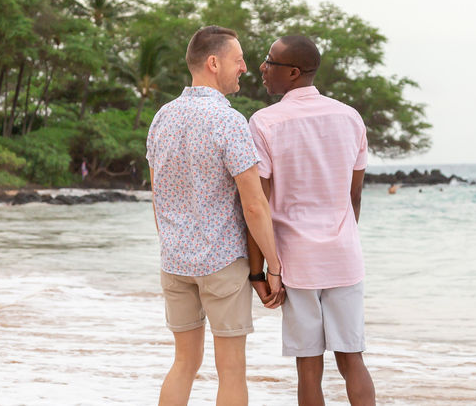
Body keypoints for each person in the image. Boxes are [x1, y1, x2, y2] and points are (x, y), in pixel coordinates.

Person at [146, 25, 285, 406]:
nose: (244, 66)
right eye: (237, 59)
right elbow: (254, 204)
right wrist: (274, 266)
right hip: (222, 262)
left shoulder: (162, 117)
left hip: (174, 262)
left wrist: (172, 245)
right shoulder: (229, 121)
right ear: (213, 62)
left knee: (183, 363)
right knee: (232, 369)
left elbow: (158, 196)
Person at [249, 35, 375, 406]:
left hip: (297, 262)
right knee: (353, 359)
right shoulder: (350, 117)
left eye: (269, 61)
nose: (262, 67)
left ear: (291, 72)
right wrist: (341, 237)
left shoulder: (264, 122)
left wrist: (260, 272)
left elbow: (259, 203)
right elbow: (354, 196)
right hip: (344, 258)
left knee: (308, 367)